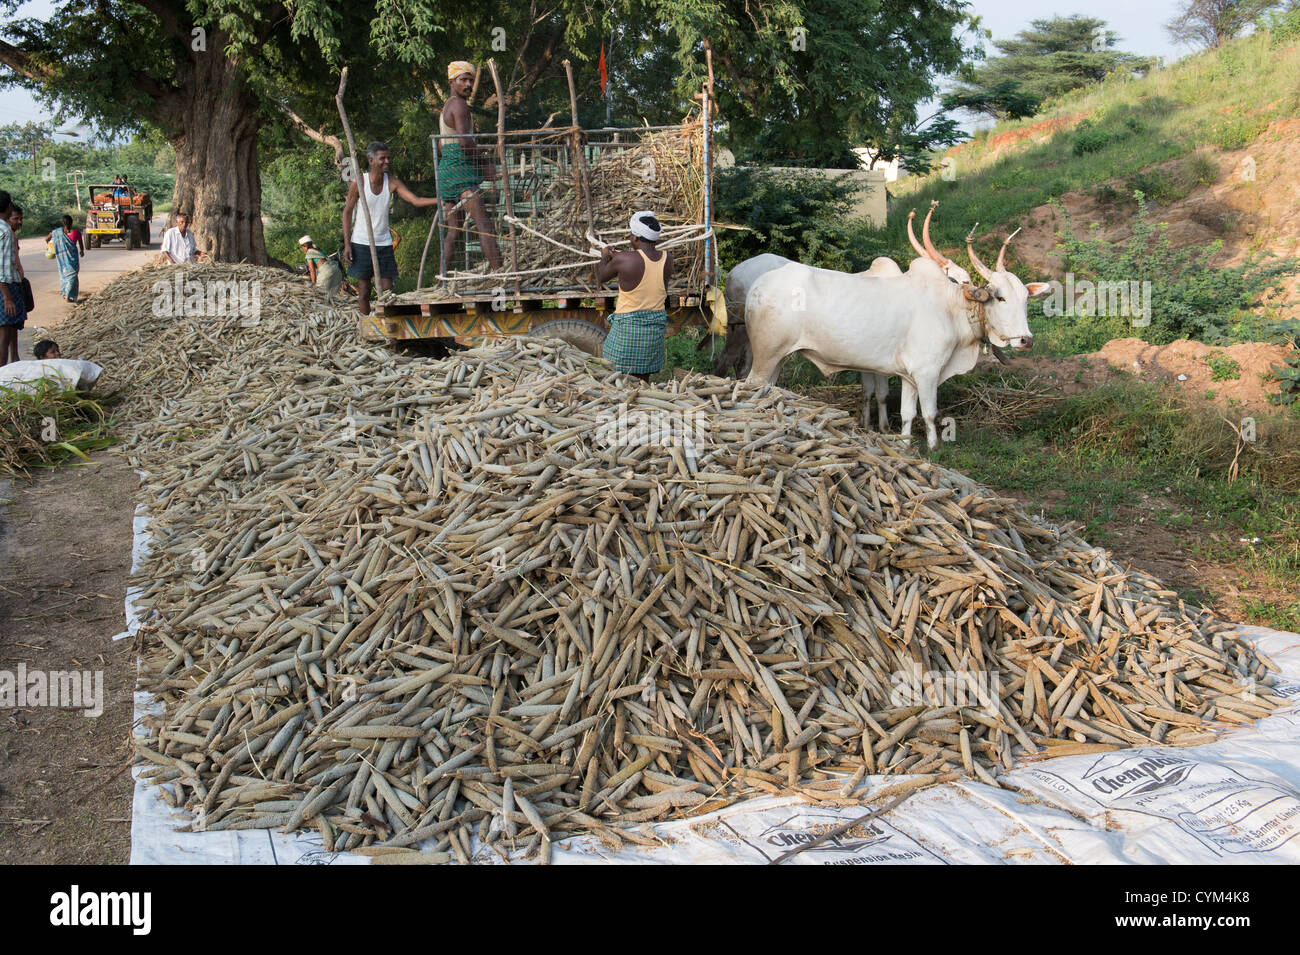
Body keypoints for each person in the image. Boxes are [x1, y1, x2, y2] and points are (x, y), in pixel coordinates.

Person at [342, 140, 439, 316]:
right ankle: (366, 324)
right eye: (382, 158)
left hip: (384, 244)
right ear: (371, 161)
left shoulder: (392, 182)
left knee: (387, 289)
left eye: (388, 158)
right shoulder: (360, 182)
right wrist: (348, 244)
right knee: (364, 291)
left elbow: (415, 200)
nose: (387, 161)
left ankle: (385, 322)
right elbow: (347, 212)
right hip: (361, 243)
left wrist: (439, 201)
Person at [438, 60, 503, 276]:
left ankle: (442, 282)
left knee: (453, 232)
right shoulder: (459, 105)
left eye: (470, 80)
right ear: (451, 81)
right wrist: (484, 164)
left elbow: (441, 145)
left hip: (447, 174)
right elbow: (466, 144)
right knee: (484, 224)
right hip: (461, 178)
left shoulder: (447, 106)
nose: (468, 84)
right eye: (463, 80)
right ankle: (501, 274)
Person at [595, 211, 674, 382]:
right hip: (654, 329)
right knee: (643, 378)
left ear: (636, 239)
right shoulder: (668, 259)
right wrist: (619, 257)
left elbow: (601, 277)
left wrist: (604, 257)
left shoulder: (624, 259)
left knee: (617, 375)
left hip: (628, 329)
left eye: (631, 234)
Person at [0, 191, 24, 366]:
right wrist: (7, 296)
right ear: (8, 207)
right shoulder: (6, 231)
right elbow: (2, 266)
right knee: (4, 335)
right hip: (5, 288)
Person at [46, 214, 83, 301]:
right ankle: (68, 294)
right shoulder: (76, 233)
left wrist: (52, 248)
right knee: (73, 276)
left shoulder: (56, 232)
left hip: (62, 259)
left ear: (62, 222)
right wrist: (82, 251)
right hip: (73, 258)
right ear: (72, 222)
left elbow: (46, 239)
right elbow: (81, 244)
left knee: (64, 276)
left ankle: (66, 294)